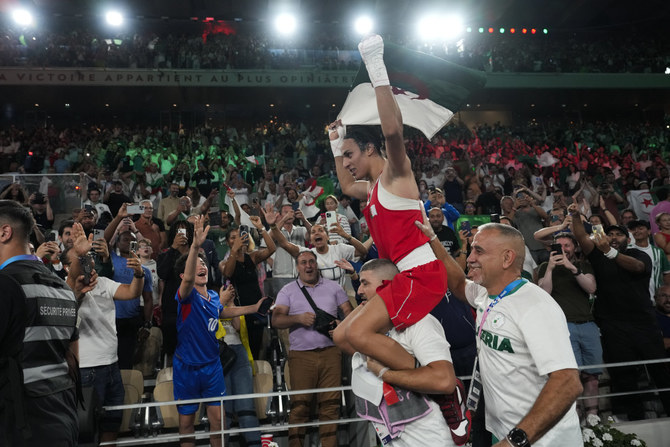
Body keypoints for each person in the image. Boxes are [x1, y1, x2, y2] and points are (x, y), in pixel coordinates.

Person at [330, 34, 449, 371]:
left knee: (361, 336)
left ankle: (429, 382)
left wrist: (375, 67)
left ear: (370, 149)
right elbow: (345, 183)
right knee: (341, 336)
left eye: (351, 154)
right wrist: (336, 144)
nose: (347, 161)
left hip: (422, 274)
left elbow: (393, 133)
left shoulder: (397, 177)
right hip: (401, 276)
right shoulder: (370, 190)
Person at [449, 223, 583, 446]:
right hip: (503, 431)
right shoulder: (486, 294)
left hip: (543, 440)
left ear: (507, 258)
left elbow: (568, 383)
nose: (470, 258)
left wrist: (514, 440)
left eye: (479, 251)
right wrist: (432, 239)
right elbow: (456, 283)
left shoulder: (536, 306)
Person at [570, 206, 670, 420]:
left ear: (627, 238)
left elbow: (636, 268)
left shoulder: (638, 254)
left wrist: (610, 252)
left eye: (619, 234)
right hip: (613, 325)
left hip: (644, 323)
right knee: (624, 376)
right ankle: (636, 422)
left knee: (660, 370)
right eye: (610, 234)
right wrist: (574, 215)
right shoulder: (598, 256)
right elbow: (580, 234)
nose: (614, 237)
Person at [354, 258, 467, 446]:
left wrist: (386, 374)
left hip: (429, 438)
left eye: (365, 283)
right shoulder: (375, 328)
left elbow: (444, 381)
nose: (359, 291)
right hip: (397, 435)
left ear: (386, 287)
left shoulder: (421, 323)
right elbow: (342, 337)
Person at [0, 200, 79, 446]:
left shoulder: (5, 285)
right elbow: (74, 362)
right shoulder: (63, 288)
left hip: (18, 428)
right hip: (63, 419)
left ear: (4, 232)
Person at [62, 222, 145, 445]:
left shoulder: (105, 283)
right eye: (81, 260)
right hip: (86, 370)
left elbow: (131, 293)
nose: (89, 262)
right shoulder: (63, 290)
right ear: (67, 268)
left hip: (111, 365)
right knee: (87, 431)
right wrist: (77, 290)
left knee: (111, 424)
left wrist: (138, 275)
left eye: (88, 258)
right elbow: (67, 310)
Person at [272, 250, 353, 447]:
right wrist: (297, 318)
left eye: (311, 262)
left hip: (331, 354)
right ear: (297, 267)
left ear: (316, 264)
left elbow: (350, 314)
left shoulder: (335, 287)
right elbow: (276, 320)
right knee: (299, 408)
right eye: (303, 262)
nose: (308, 266)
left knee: (331, 408)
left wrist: (339, 323)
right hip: (301, 357)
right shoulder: (287, 291)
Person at [172, 216, 226, 447]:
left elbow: (223, 312)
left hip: (212, 365)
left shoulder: (213, 296)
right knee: (186, 425)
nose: (202, 265)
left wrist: (254, 308)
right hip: (186, 368)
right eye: (196, 264)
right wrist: (194, 246)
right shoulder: (186, 297)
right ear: (184, 275)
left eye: (204, 262)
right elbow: (187, 282)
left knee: (219, 423)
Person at [537, 232, 602, 418]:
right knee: (571, 377)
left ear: (574, 247)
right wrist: (550, 268)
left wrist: (572, 268)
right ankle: (575, 418)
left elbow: (591, 288)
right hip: (562, 327)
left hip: (588, 324)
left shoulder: (582, 265)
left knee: (592, 376)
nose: (563, 249)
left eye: (567, 245)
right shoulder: (544, 267)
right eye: (559, 246)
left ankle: (593, 417)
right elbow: (544, 293)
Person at [221, 214, 276, 359]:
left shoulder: (252, 256)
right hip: (238, 311)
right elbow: (228, 273)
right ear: (227, 242)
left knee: (256, 347)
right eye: (233, 237)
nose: (237, 239)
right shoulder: (223, 263)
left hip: (256, 307)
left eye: (239, 236)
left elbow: (272, 248)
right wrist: (235, 250)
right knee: (241, 349)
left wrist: (261, 228)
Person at [629, 219, 670, 301]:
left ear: (649, 231)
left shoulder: (659, 252)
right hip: (633, 298)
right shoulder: (627, 250)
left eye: (640, 228)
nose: (636, 231)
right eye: (634, 229)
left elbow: (667, 274)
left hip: (655, 299)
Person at [654, 284, 670, 357]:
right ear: (655, 298)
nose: (668, 300)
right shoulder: (649, 319)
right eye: (664, 296)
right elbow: (654, 344)